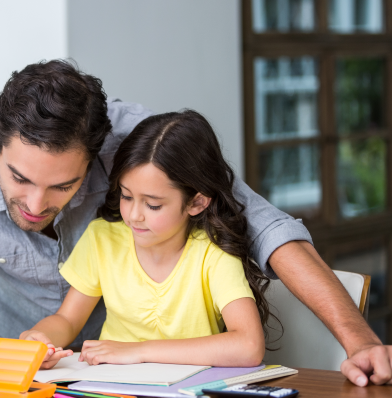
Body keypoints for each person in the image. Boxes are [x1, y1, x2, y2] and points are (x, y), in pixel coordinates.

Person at [0, 60, 392, 386]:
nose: (36, 204)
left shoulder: (139, 146)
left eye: (63, 186)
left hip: (136, 382)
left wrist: (360, 342)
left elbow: (265, 227)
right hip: (23, 371)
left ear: (97, 155)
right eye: (18, 178)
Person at [21, 110, 271, 369]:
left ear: (196, 202)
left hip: (189, 397)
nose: (133, 215)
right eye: (126, 196)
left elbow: (249, 347)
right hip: (113, 389)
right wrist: (41, 339)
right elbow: (67, 320)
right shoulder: (103, 238)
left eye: (152, 205)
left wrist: (139, 351)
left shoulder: (212, 251)